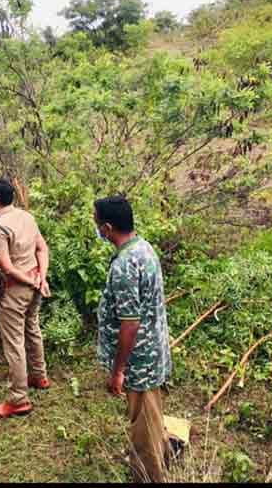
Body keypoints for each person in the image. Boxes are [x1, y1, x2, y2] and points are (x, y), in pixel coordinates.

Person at [94, 196, 171, 483]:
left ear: (108, 227)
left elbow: (130, 324)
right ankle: (161, 456)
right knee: (151, 417)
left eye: (96, 221)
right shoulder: (143, 247)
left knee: (143, 427)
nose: (96, 226)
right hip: (152, 351)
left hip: (140, 360)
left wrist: (118, 370)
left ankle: (149, 476)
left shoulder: (125, 265)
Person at [0, 179, 51, 418]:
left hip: (15, 289)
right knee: (32, 329)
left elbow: (7, 268)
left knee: (14, 343)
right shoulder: (26, 217)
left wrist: (34, 281)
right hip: (33, 283)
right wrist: (41, 278)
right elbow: (42, 248)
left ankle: (18, 399)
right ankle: (39, 376)